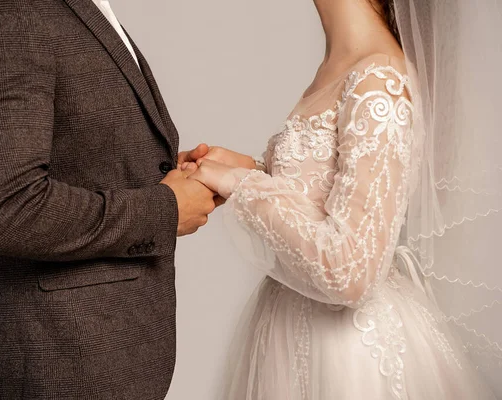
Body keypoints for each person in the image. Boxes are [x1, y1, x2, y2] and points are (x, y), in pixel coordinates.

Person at [180, 0, 501, 398]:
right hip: (288, 334)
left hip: (347, 357)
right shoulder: (343, 64)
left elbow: (351, 272)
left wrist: (241, 183)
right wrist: (254, 170)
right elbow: (323, 199)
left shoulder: (378, 79)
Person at [0, 0, 217, 398]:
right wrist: (164, 210)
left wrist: (167, 173)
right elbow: (5, 208)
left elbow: (74, 148)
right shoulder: (3, 11)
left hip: (101, 356)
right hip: (55, 363)